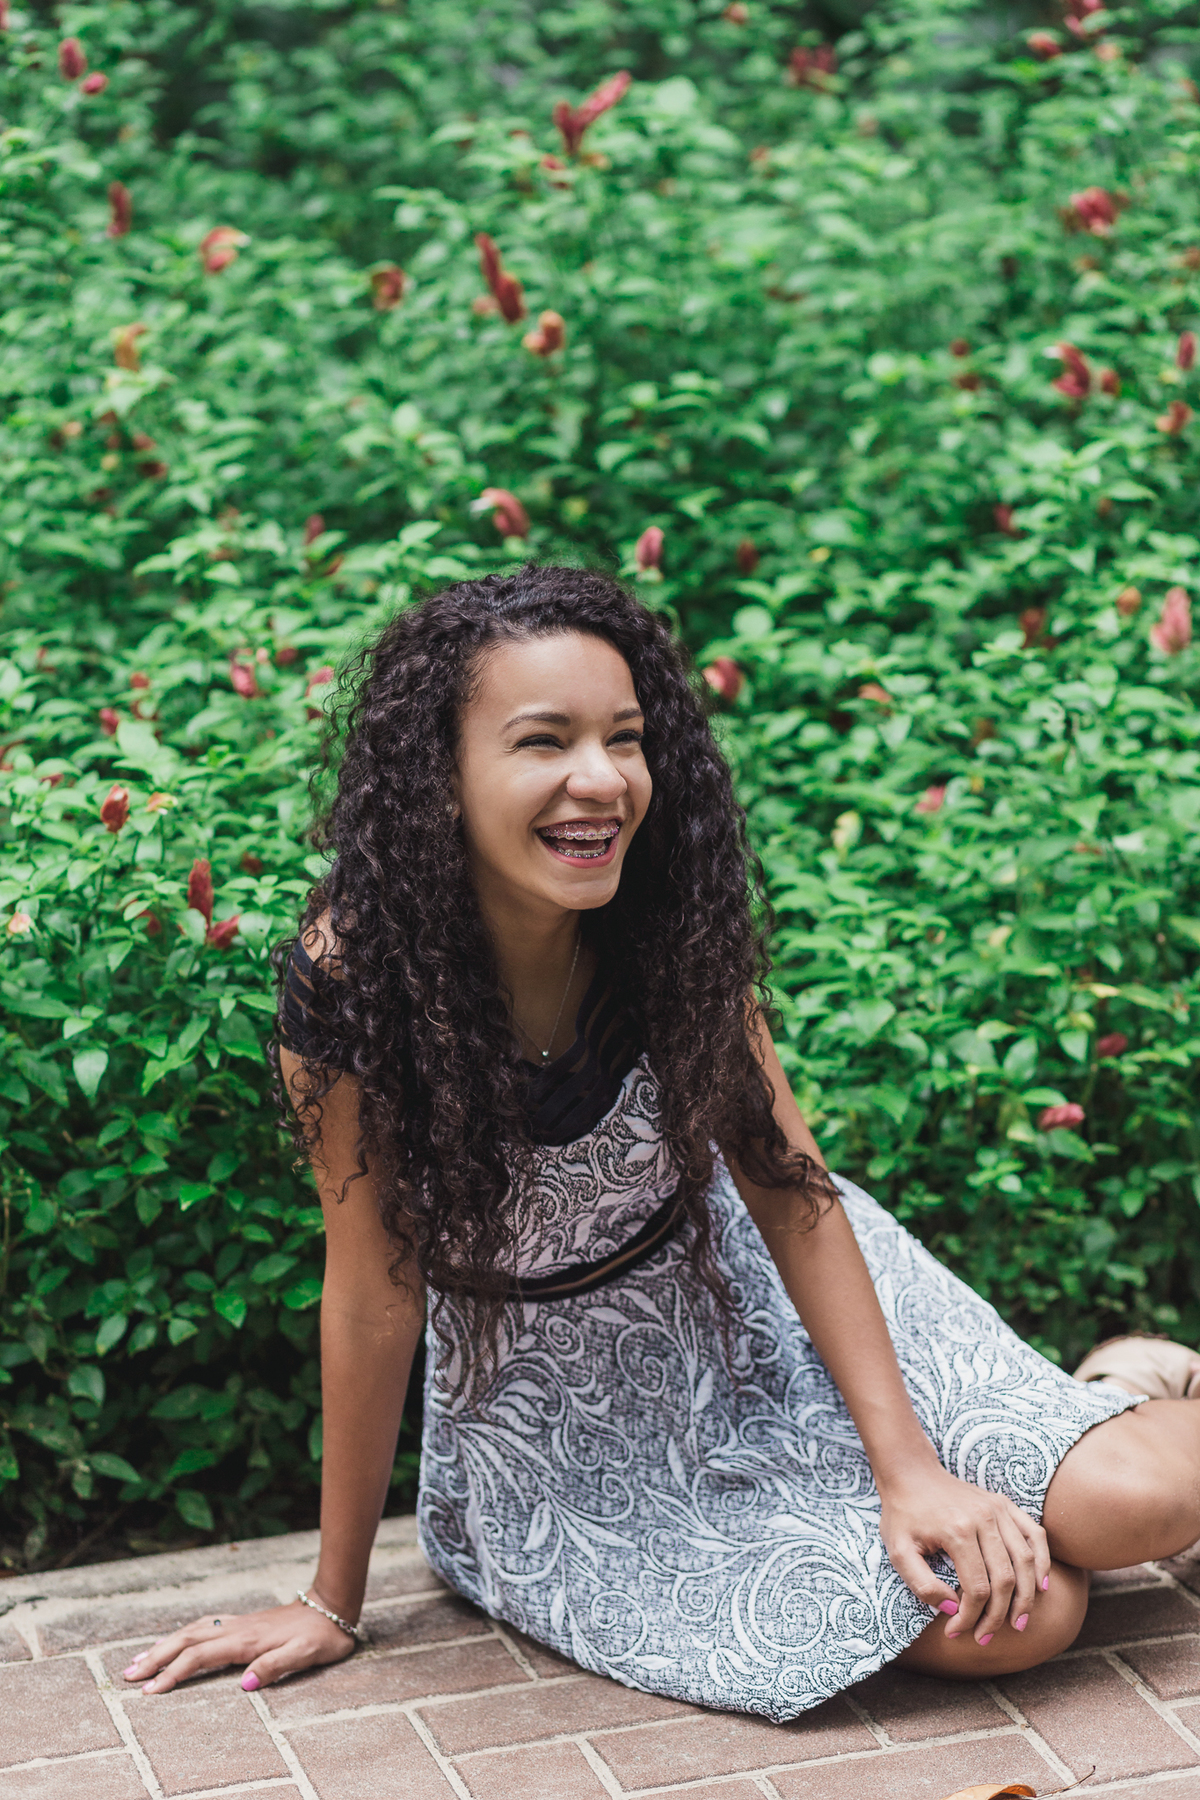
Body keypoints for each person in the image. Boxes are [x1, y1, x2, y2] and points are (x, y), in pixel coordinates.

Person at [124, 566, 1200, 1719]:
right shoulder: (352, 986)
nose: (601, 780)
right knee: (1028, 1616)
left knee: (1134, 1507)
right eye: (544, 741)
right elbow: (374, 1288)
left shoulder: (664, 919)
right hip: (566, 1428)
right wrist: (332, 1601)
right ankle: (1075, 1424)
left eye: (624, 738)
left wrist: (913, 1472)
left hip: (761, 1307)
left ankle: (1121, 1388)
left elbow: (791, 1196)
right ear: (440, 777)